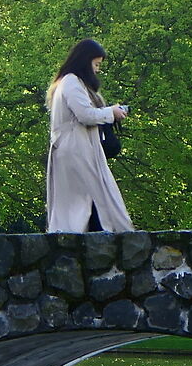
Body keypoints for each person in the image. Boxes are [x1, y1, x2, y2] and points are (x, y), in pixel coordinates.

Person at [45, 38, 136, 234]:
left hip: (78, 149)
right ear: (85, 62)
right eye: (96, 65)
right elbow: (85, 115)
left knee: (89, 200)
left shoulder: (71, 83)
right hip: (75, 151)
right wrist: (111, 112)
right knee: (89, 199)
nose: (97, 70)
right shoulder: (71, 82)